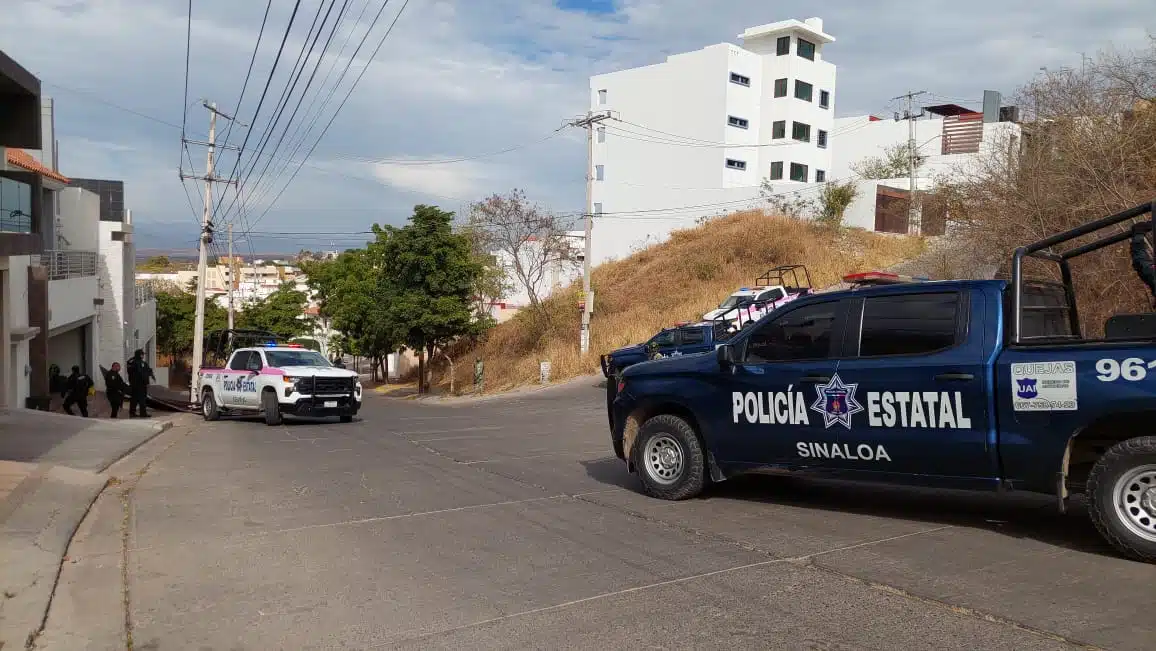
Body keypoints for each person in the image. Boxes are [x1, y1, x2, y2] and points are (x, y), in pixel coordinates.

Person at [126, 349, 155, 418]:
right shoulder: (137, 362)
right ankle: (142, 413)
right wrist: (148, 375)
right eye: (142, 354)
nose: (143, 356)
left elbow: (148, 369)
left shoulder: (135, 361)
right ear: (139, 355)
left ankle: (133, 413)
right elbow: (141, 372)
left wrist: (151, 374)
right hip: (139, 384)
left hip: (136, 384)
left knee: (134, 399)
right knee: (141, 399)